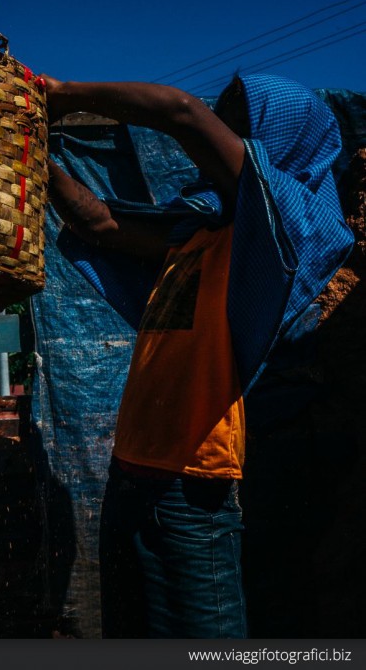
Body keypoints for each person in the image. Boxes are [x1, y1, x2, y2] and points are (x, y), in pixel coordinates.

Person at [44, 74, 353, 638]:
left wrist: (60, 94)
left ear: (280, 136)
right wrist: (32, 153)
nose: (226, 132)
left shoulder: (292, 223)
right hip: (131, 474)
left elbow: (183, 114)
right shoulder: (200, 232)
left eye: (240, 122)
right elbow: (97, 224)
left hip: (194, 488)